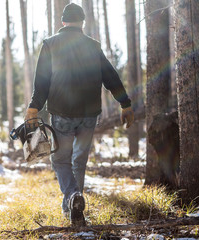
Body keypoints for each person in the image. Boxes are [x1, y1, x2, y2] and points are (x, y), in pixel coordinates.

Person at [24, 3, 134, 226]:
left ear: (63, 22)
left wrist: (34, 106)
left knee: (60, 159)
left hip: (63, 113)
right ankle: (74, 207)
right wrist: (125, 104)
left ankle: (73, 197)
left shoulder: (50, 44)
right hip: (89, 115)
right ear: (82, 22)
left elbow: (42, 82)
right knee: (79, 160)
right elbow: (111, 77)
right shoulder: (93, 46)